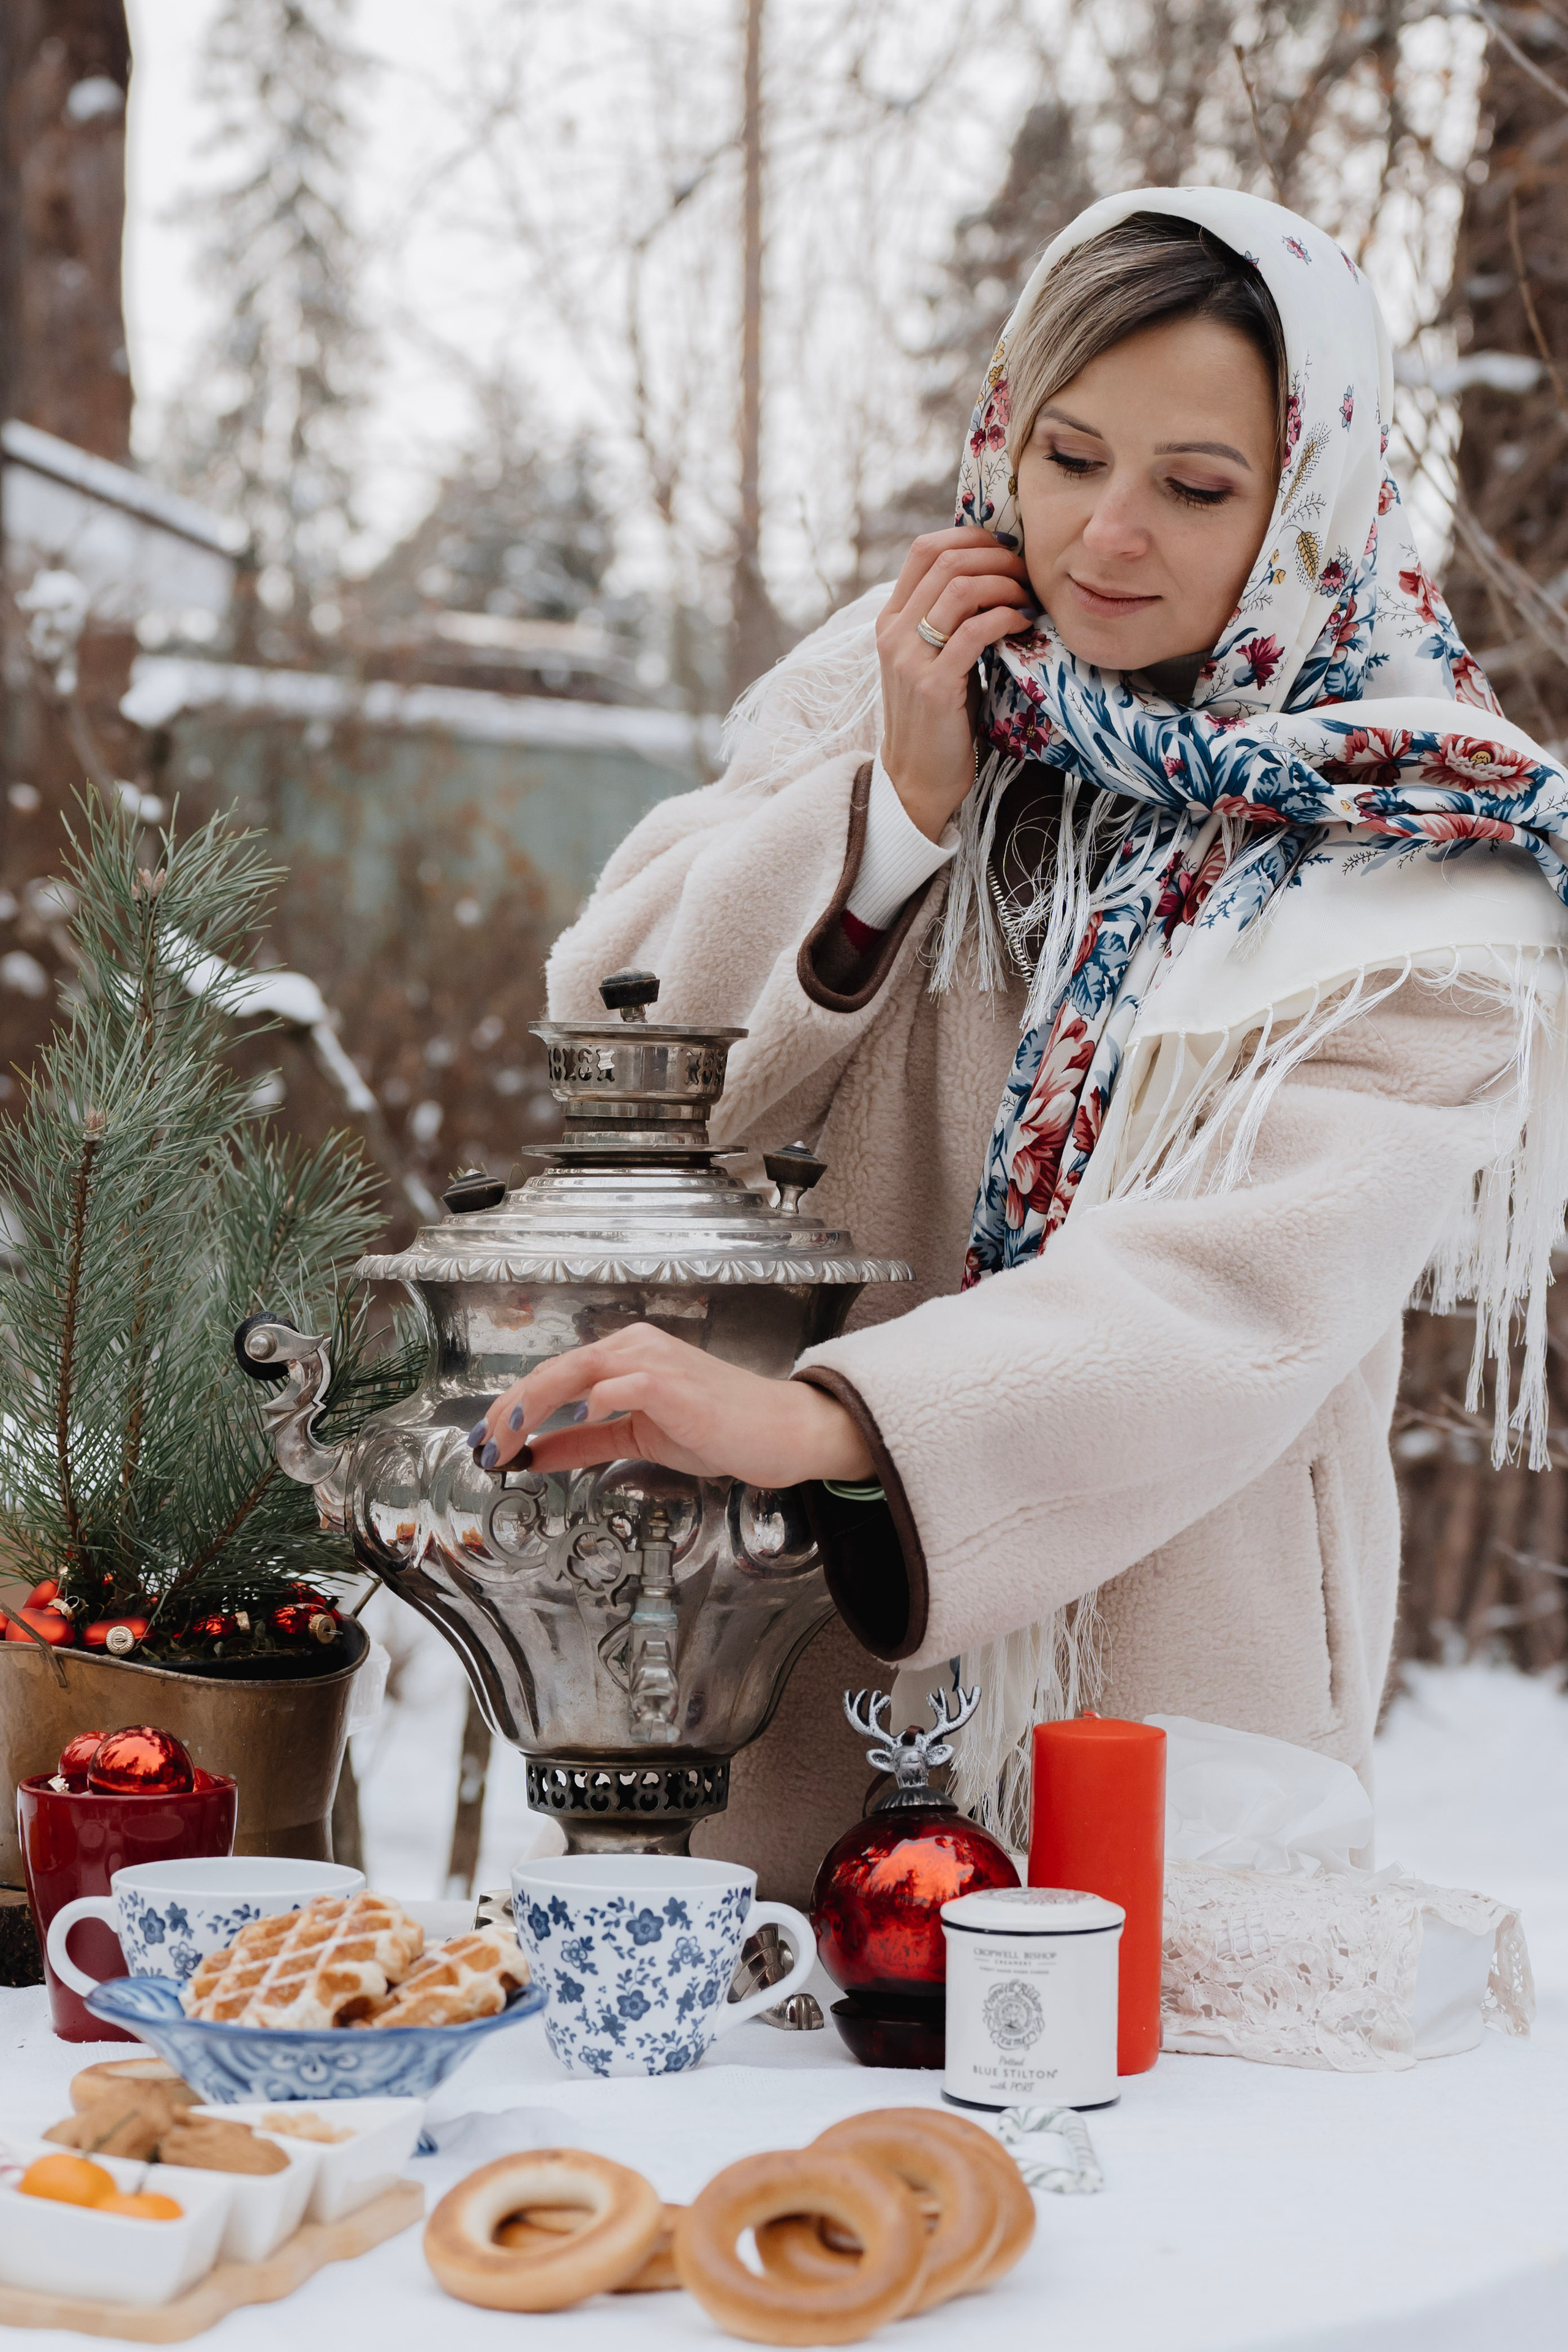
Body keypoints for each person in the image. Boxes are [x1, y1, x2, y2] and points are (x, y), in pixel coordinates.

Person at [470, 189, 1568, 1902]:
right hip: (801, 1657)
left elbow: (1248, 1288)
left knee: (1153, 2130)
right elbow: (626, 1037)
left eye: (1196, 488)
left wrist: (842, 1426)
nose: (1106, 537)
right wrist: (896, 815)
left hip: (1167, 1669)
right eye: (1066, 459)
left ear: (1310, 497)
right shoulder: (906, 670)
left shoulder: (1417, 833)